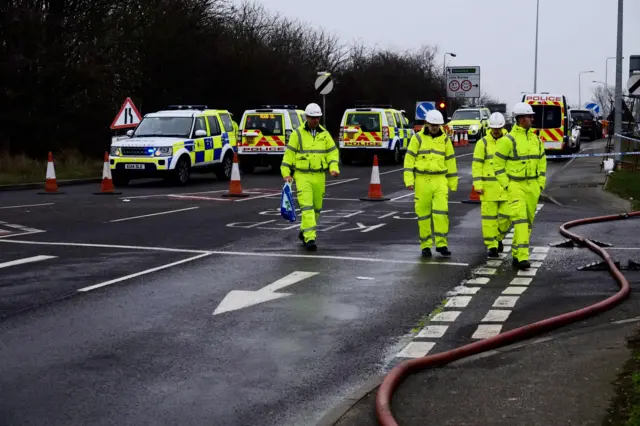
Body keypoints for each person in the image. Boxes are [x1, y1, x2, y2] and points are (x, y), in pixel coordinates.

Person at [493, 102, 547, 270]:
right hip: (515, 185)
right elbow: (497, 164)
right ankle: (523, 257)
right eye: (529, 116)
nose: (532, 119)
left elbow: (542, 162)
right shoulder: (508, 140)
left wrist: (540, 184)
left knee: (528, 222)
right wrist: (507, 184)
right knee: (521, 221)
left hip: (532, 186)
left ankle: (517, 255)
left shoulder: (536, 139)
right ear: (521, 119)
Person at [281, 103, 340, 251]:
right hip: (302, 176)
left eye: (318, 118)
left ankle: (304, 231)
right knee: (307, 207)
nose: (316, 121)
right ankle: (310, 238)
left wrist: (333, 168)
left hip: (319, 175)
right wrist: (286, 173)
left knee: (317, 209)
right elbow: (289, 155)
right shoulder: (297, 134)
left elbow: (332, 153)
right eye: (313, 118)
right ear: (307, 117)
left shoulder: (324, 134)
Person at [404, 110, 458, 257]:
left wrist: (453, 182)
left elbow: (450, 161)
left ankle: (442, 244)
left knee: (441, 213)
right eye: (432, 124)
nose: (435, 127)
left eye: (437, 125)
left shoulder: (445, 140)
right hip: (422, 180)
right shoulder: (417, 139)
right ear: (426, 123)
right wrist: (409, 180)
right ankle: (425, 245)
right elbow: (409, 160)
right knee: (423, 215)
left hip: (440, 180)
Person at [472, 112, 511, 258]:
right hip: (488, 189)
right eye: (494, 128)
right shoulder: (482, 143)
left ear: (502, 127)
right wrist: (478, 184)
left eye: (499, 127)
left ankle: (498, 238)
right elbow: (477, 165)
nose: (496, 130)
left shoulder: (509, 141)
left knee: (507, 216)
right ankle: (492, 246)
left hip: (505, 187)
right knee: (489, 219)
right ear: (490, 127)